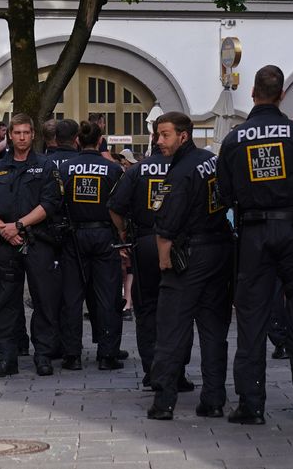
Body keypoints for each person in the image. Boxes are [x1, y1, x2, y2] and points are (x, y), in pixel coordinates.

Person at [216, 65, 293, 425]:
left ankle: (251, 405)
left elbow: (223, 195)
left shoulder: (234, 139)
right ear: (281, 94)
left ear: (252, 93)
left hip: (252, 235)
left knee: (251, 319)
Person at [145, 112, 233, 420]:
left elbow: (166, 224)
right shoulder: (209, 159)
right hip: (219, 251)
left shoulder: (180, 173)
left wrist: (164, 260)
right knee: (213, 330)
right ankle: (214, 399)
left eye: (165, 135)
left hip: (190, 255)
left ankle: (163, 401)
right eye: (158, 135)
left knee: (171, 329)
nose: (159, 141)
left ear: (184, 135)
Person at [109, 131, 197, 391]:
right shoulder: (187, 166)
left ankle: (152, 370)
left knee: (146, 308)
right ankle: (177, 370)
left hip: (145, 242)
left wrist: (124, 232)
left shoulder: (138, 170)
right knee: (180, 309)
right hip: (180, 244)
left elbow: (115, 206)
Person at [0, 113, 62, 378]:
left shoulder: (46, 166)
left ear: (33, 134)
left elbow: (50, 204)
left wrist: (19, 226)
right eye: (17, 133)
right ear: (9, 136)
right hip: (5, 242)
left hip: (38, 241)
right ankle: (6, 358)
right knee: (4, 302)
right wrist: (4, 229)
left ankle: (44, 355)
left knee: (44, 300)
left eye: (26, 132)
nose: (22, 137)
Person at [58, 120, 125, 371]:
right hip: (105, 235)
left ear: (77, 141)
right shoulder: (113, 169)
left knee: (71, 297)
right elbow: (120, 205)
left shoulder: (65, 169)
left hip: (73, 236)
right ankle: (108, 354)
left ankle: (72, 354)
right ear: (100, 141)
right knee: (107, 296)